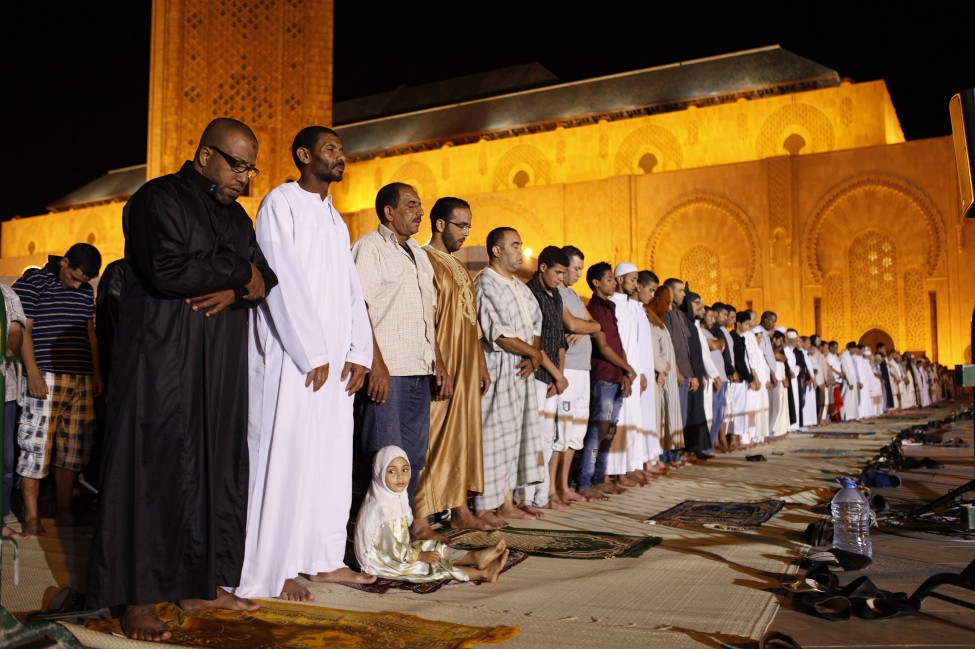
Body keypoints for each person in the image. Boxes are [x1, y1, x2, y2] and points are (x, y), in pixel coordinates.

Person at [86, 118, 277, 642]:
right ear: (204, 155)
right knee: (154, 467)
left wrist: (239, 291)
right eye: (237, 164)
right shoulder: (157, 199)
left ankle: (201, 581)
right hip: (162, 358)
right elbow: (167, 269)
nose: (245, 177)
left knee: (215, 465)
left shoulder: (238, 218)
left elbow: (267, 275)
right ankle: (139, 597)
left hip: (218, 362)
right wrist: (239, 275)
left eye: (251, 168)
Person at [237, 126, 374, 603]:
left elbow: (351, 291)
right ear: (304, 155)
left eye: (341, 149)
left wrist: (359, 351)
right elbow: (281, 278)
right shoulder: (280, 203)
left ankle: (323, 557)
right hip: (293, 358)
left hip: (334, 364)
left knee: (330, 459)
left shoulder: (335, 220)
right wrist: (310, 350)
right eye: (332, 149)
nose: (341, 156)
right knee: (285, 456)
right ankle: (276, 565)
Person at [352, 182, 447, 539]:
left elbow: (428, 314)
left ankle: (403, 531)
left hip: (419, 369)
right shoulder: (370, 248)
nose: (419, 212)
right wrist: (375, 364)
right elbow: (358, 307)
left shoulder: (418, 254)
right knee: (384, 457)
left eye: (420, 205)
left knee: (412, 458)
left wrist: (438, 364)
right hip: (387, 371)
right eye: (410, 205)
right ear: (388, 212)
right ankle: (378, 538)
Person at [13, 243, 103, 537]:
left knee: (74, 450)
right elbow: (23, 330)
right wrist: (33, 373)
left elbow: (90, 333)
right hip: (47, 376)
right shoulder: (34, 282)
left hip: (81, 377)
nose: (79, 284)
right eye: (76, 277)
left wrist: (96, 373)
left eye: (84, 281)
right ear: (64, 262)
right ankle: (31, 518)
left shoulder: (85, 290)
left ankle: (64, 511)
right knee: (36, 446)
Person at [419, 197, 495, 531]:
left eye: (468, 226)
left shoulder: (460, 266)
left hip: (466, 361)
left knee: (463, 432)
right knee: (434, 434)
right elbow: (424, 316)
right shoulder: (424, 260)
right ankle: (421, 510)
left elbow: (472, 321)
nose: (466, 232)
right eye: (460, 225)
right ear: (440, 224)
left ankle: (459, 509)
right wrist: (438, 361)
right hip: (442, 360)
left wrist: (480, 362)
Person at [473, 227, 546, 526]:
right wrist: (534, 354)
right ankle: (482, 507)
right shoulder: (485, 284)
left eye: (521, 244)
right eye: (515, 245)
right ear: (496, 251)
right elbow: (498, 334)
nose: (521, 250)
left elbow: (536, 324)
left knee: (515, 437)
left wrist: (533, 355)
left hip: (522, 369)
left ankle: (506, 503)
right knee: (493, 437)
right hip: (499, 369)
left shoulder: (520, 286)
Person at [355, 446, 509, 583]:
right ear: (379, 473)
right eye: (391, 471)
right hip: (380, 562)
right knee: (427, 566)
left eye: (405, 469)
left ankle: (475, 558)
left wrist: (419, 552)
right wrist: (419, 556)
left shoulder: (395, 498)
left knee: (433, 546)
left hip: (400, 551)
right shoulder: (381, 509)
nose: (400, 476)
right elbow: (393, 549)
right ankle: (482, 574)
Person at [578, 262, 637, 497]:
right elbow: (603, 348)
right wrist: (628, 368)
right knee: (597, 431)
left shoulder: (611, 307)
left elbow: (618, 344)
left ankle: (599, 478)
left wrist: (625, 373)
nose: (614, 282)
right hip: (602, 375)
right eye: (610, 278)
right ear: (596, 282)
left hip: (616, 376)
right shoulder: (593, 309)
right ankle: (584, 483)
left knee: (609, 431)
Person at [523, 246, 570, 510]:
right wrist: (555, 375)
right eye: (558, 272)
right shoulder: (530, 293)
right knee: (533, 438)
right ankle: (526, 498)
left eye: (563, 273)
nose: (560, 278)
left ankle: (542, 496)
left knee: (548, 439)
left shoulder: (557, 296)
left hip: (553, 379)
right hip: (537, 375)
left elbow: (560, 341)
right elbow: (534, 343)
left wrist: (559, 377)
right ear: (543, 267)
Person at [556, 245, 601, 503]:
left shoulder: (574, 294)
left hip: (583, 370)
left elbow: (596, 325)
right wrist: (581, 326)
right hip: (569, 369)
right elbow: (572, 324)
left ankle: (564, 485)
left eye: (581, 269)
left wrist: (583, 328)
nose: (578, 274)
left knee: (576, 433)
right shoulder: (558, 293)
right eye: (575, 269)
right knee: (562, 432)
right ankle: (558, 486)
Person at [646, 286, 683, 466]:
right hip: (657, 375)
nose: (669, 309)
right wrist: (662, 368)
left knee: (663, 418)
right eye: (667, 303)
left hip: (664, 375)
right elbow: (653, 352)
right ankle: (652, 460)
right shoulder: (648, 319)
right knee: (655, 418)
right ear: (658, 299)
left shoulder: (657, 320)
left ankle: (658, 457)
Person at [1, 283, 26, 540]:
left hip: (4, 391)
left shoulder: (7, 294)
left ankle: (1, 520)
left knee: (6, 460)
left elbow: (17, 332)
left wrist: (11, 343)